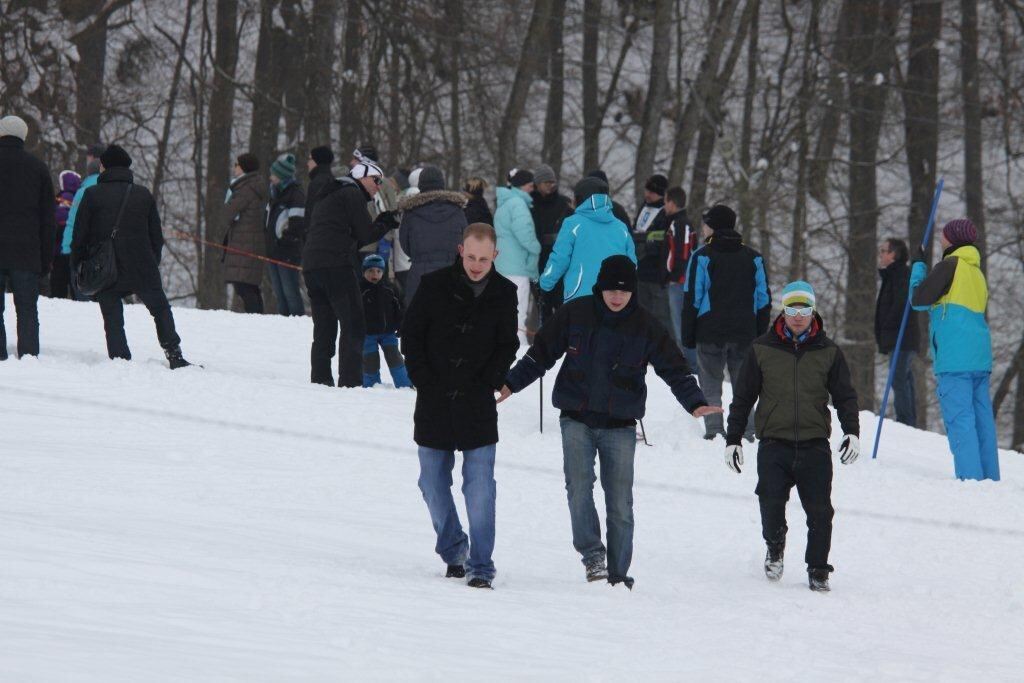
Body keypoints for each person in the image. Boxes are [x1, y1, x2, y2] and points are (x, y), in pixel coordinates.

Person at [499, 256, 721, 589]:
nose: (617, 297)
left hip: (620, 424)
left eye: (624, 291)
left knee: (620, 503)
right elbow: (540, 354)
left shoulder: (646, 326)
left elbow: (674, 368)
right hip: (576, 417)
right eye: (611, 290)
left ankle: (618, 574)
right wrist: (511, 384)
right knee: (578, 488)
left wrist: (695, 402)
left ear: (632, 292)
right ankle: (593, 558)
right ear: (600, 288)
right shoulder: (575, 314)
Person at [401, 222, 520, 589]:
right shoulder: (434, 285)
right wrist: (424, 378)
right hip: (434, 398)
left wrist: (488, 379)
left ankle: (481, 566)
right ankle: (454, 549)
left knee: (480, 487)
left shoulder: (505, 292)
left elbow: (507, 344)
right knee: (432, 483)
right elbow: (412, 335)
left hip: (476, 402)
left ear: (495, 256)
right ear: (460, 251)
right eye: (470, 256)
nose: (476, 264)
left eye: (484, 258)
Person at [724, 280, 859, 592]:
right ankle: (775, 544)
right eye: (792, 309)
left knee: (820, 511)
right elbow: (743, 397)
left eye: (805, 309)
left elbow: (845, 396)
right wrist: (733, 438)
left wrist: (852, 431)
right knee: (770, 502)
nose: (798, 316)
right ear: (782, 311)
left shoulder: (829, 352)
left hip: (814, 444)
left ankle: (818, 568)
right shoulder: (762, 349)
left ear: (813, 312)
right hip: (774, 443)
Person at [72, 144, 191, 369]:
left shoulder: (92, 194)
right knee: (160, 309)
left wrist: (78, 265)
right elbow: (156, 236)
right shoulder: (142, 194)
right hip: (142, 265)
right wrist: (151, 261)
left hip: (105, 267)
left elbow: (80, 236)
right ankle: (174, 354)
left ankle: (120, 360)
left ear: (103, 166)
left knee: (112, 317)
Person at [910, 218, 999, 481]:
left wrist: (918, 267)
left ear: (952, 239)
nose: (940, 239)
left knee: (961, 422)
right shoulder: (977, 273)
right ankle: (990, 479)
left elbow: (919, 300)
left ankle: (971, 482)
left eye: (944, 236)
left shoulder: (949, 266)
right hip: (979, 358)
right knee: (983, 422)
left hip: (955, 359)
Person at [302, 158, 398, 387]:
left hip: (312, 266)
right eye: (376, 180)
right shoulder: (351, 193)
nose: (378, 186)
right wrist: (386, 222)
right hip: (336, 266)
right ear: (361, 176)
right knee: (354, 323)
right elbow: (365, 235)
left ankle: (320, 379)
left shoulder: (329, 194)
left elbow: (344, 234)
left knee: (324, 326)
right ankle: (351, 383)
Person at [682, 204, 771, 441]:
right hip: (745, 332)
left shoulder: (701, 256)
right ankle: (749, 431)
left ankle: (714, 429)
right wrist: (760, 333)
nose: (702, 228)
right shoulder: (754, 258)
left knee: (710, 381)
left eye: (705, 224)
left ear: (712, 226)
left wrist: (688, 334)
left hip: (709, 331)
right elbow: (763, 299)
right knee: (744, 385)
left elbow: (692, 296)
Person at [0, 114, 54, 359]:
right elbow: (48, 218)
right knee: (27, 309)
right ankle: (29, 356)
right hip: (27, 250)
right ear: (23, 136)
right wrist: (46, 258)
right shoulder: (38, 169)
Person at [539, 176, 635, 303]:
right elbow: (632, 264)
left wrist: (545, 284)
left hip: (580, 296)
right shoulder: (620, 227)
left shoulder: (573, 224)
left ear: (580, 199)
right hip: (612, 299)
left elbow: (559, 258)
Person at [398, 165, 467, 305]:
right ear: (442, 184)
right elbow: (466, 240)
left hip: (420, 274)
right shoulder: (457, 210)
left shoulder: (411, 212)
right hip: (452, 273)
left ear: (421, 185)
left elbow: (404, 244)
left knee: (420, 320)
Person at [875, 237, 918, 427]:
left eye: (883, 251)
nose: (881, 255)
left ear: (893, 254)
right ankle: (909, 419)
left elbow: (900, 304)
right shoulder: (891, 275)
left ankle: (906, 421)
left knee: (898, 377)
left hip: (903, 336)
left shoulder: (901, 274)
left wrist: (887, 326)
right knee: (903, 376)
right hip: (896, 337)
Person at [494, 168, 540, 345]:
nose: (532, 189)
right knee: (518, 307)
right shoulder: (518, 204)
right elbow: (524, 233)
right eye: (530, 185)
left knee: (504, 308)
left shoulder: (505, 203)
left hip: (502, 264)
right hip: (516, 266)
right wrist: (536, 247)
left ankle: (502, 341)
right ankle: (518, 344)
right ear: (521, 186)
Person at [222, 153, 267, 314]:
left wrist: (228, 201)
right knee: (249, 284)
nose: (234, 167)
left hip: (245, 241)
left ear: (244, 167)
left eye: (237, 164)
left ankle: (256, 317)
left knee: (243, 285)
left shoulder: (245, 188)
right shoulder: (252, 185)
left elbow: (228, 213)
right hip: (250, 240)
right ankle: (257, 316)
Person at [359, 254, 412, 388]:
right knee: (370, 361)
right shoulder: (359, 290)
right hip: (367, 334)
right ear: (364, 272)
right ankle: (371, 386)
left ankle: (404, 385)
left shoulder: (390, 288)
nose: (374, 274)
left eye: (378, 271)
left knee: (395, 359)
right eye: (370, 271)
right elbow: (354, 312)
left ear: (383, 272)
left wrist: (401, 325)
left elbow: (401, 308)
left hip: (388, 333)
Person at [266, 153, 306, 316]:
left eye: (273, 174)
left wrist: (284, 242)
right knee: (279, 293)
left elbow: (297, 225)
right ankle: (282, 323)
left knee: (290, 292)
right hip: (273, 251)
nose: (270, 177)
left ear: (282, 175)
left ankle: (296, 322)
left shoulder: (295, 194)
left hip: (288, 251)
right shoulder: (274, 193)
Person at [531, 164, 573, 317]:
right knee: (543, 305)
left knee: (562, 305)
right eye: (546, 182)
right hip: (538, 261)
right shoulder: (530, 205)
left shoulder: (564, 203)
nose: (550, 185)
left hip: (560, 261)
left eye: (552, 182)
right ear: (537, 184)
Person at [62, 148, 104, 301]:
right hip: (104, 251)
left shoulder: (81, 192)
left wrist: (66, 247)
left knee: (82, 295)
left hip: (79, 249)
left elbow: (72, 221)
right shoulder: (109, 190)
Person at [635, 179, 673, 342]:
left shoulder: (665, 214)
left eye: (652, 192)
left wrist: (646, 244)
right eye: (647, 191)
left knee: (660, 314)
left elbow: (661, 240)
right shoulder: (644, 207)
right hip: (640, 270)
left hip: (656, 272)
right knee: (641, 313)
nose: (648, 195)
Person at [662, 187, 698, 362]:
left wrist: (674, 275)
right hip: (679, 280)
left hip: (681, 281)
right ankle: (688, 362)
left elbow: (683, 252)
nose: (664, 205)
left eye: (665, 201)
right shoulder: (678, 223)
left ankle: (691, 365)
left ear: (672, 203)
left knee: (681, 326)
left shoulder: (680, 223)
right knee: (680, 325)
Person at [49, 169, 82, 299]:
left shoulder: (61, 199)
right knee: (74, 284)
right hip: (73, 249)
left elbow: (59, 219)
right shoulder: (79, 198)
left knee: (58, 285)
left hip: (60, 250)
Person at [305, 145, 334, 233]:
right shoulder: (331, 180)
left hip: (318, 239)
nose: (307, 163)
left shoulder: (318, 183)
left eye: (310, 159)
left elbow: (313, 215)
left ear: (317, 161)